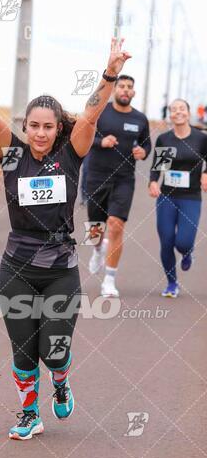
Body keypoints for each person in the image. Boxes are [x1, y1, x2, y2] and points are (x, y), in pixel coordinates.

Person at [0, 34, 131, 440]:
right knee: (23, 350)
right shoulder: (12, 157)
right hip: (16, 268)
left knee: (52, 351)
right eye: (33, 126)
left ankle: (60, 380)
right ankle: (28, 414)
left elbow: (91, 117)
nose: (39, 134)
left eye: (47, 127)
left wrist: (110, 73)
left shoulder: (70, 155)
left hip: (60, 270)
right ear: (25, 127)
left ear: (59, 129)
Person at [86, 74, 151, 297]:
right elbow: (83, 136)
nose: (125, 90)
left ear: (133, 92)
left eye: (129, 87)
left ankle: (110, 280)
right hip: (96, 176)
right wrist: (100, 142)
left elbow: (146, 146)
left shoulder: (140, 119)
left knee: (115, 224)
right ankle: (96, 249)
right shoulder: (101, 112)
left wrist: (143, 152)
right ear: (115, 90)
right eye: (121, 86)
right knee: (94, 227)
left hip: (124, 179)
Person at [149, 98, 207, 297]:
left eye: (182, 108)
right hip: (167, 196)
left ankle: (187, 253)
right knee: (166, 242)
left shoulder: (200, 138)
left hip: (191, 197)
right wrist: (154, 182)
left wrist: (206, 173)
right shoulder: (165, 139)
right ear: (170, 115)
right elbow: (158, 166)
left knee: (182, 242)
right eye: (174, 110)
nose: (178, 112)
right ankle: (172, 283)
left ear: (189, 112)